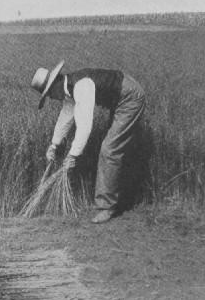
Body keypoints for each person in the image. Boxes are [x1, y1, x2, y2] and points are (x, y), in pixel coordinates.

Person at [31, 60, 146, 223]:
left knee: (110, 149)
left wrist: (73, 155)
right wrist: (54, 144)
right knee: (115, 147)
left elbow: (84, 126)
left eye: (49, 94)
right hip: (119, 96)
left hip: (130, 98)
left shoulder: (81, 86)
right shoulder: (69, 87)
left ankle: (107, 208)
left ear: (55, 84)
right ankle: (119, 197)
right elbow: (66, 116)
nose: (52, 98)